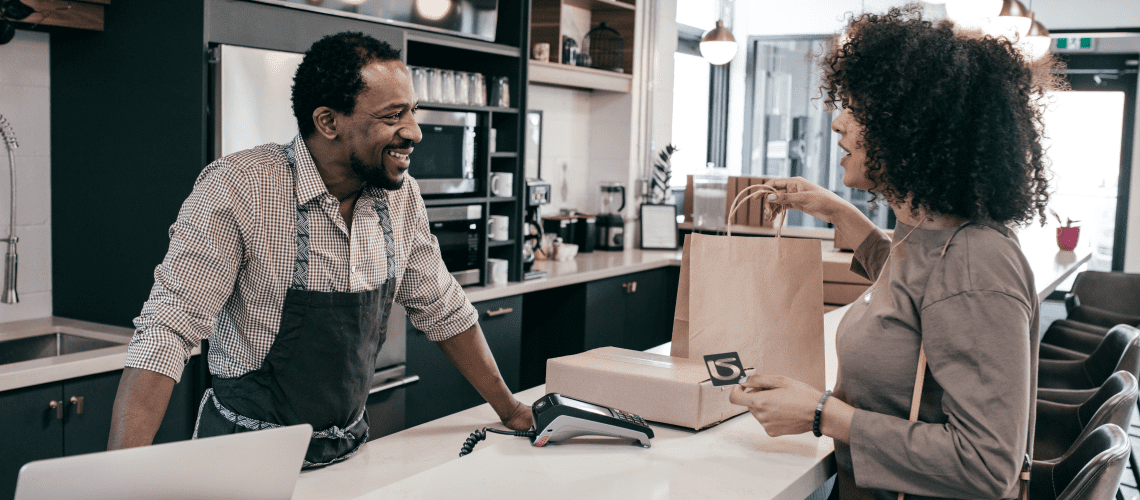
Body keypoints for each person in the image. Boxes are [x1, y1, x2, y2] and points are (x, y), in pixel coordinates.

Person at [108, 32, 533, 467]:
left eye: (413, 111)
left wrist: (512, 410)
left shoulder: (401, 198)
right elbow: (167, 330)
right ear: (328, 122)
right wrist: (120, 481)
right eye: (393, 116)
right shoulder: (240, 187)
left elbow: (444, 309)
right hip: (242, 461)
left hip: (349, 453)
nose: (414, 132)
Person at [729, 5, 1061, 499]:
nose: (838, 122)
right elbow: (917, 293)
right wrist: (841, 214)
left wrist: (822, 414)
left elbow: (988, 466)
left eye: (858, 109)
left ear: (912, 128)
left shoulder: (975, 264)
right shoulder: (934, 236)